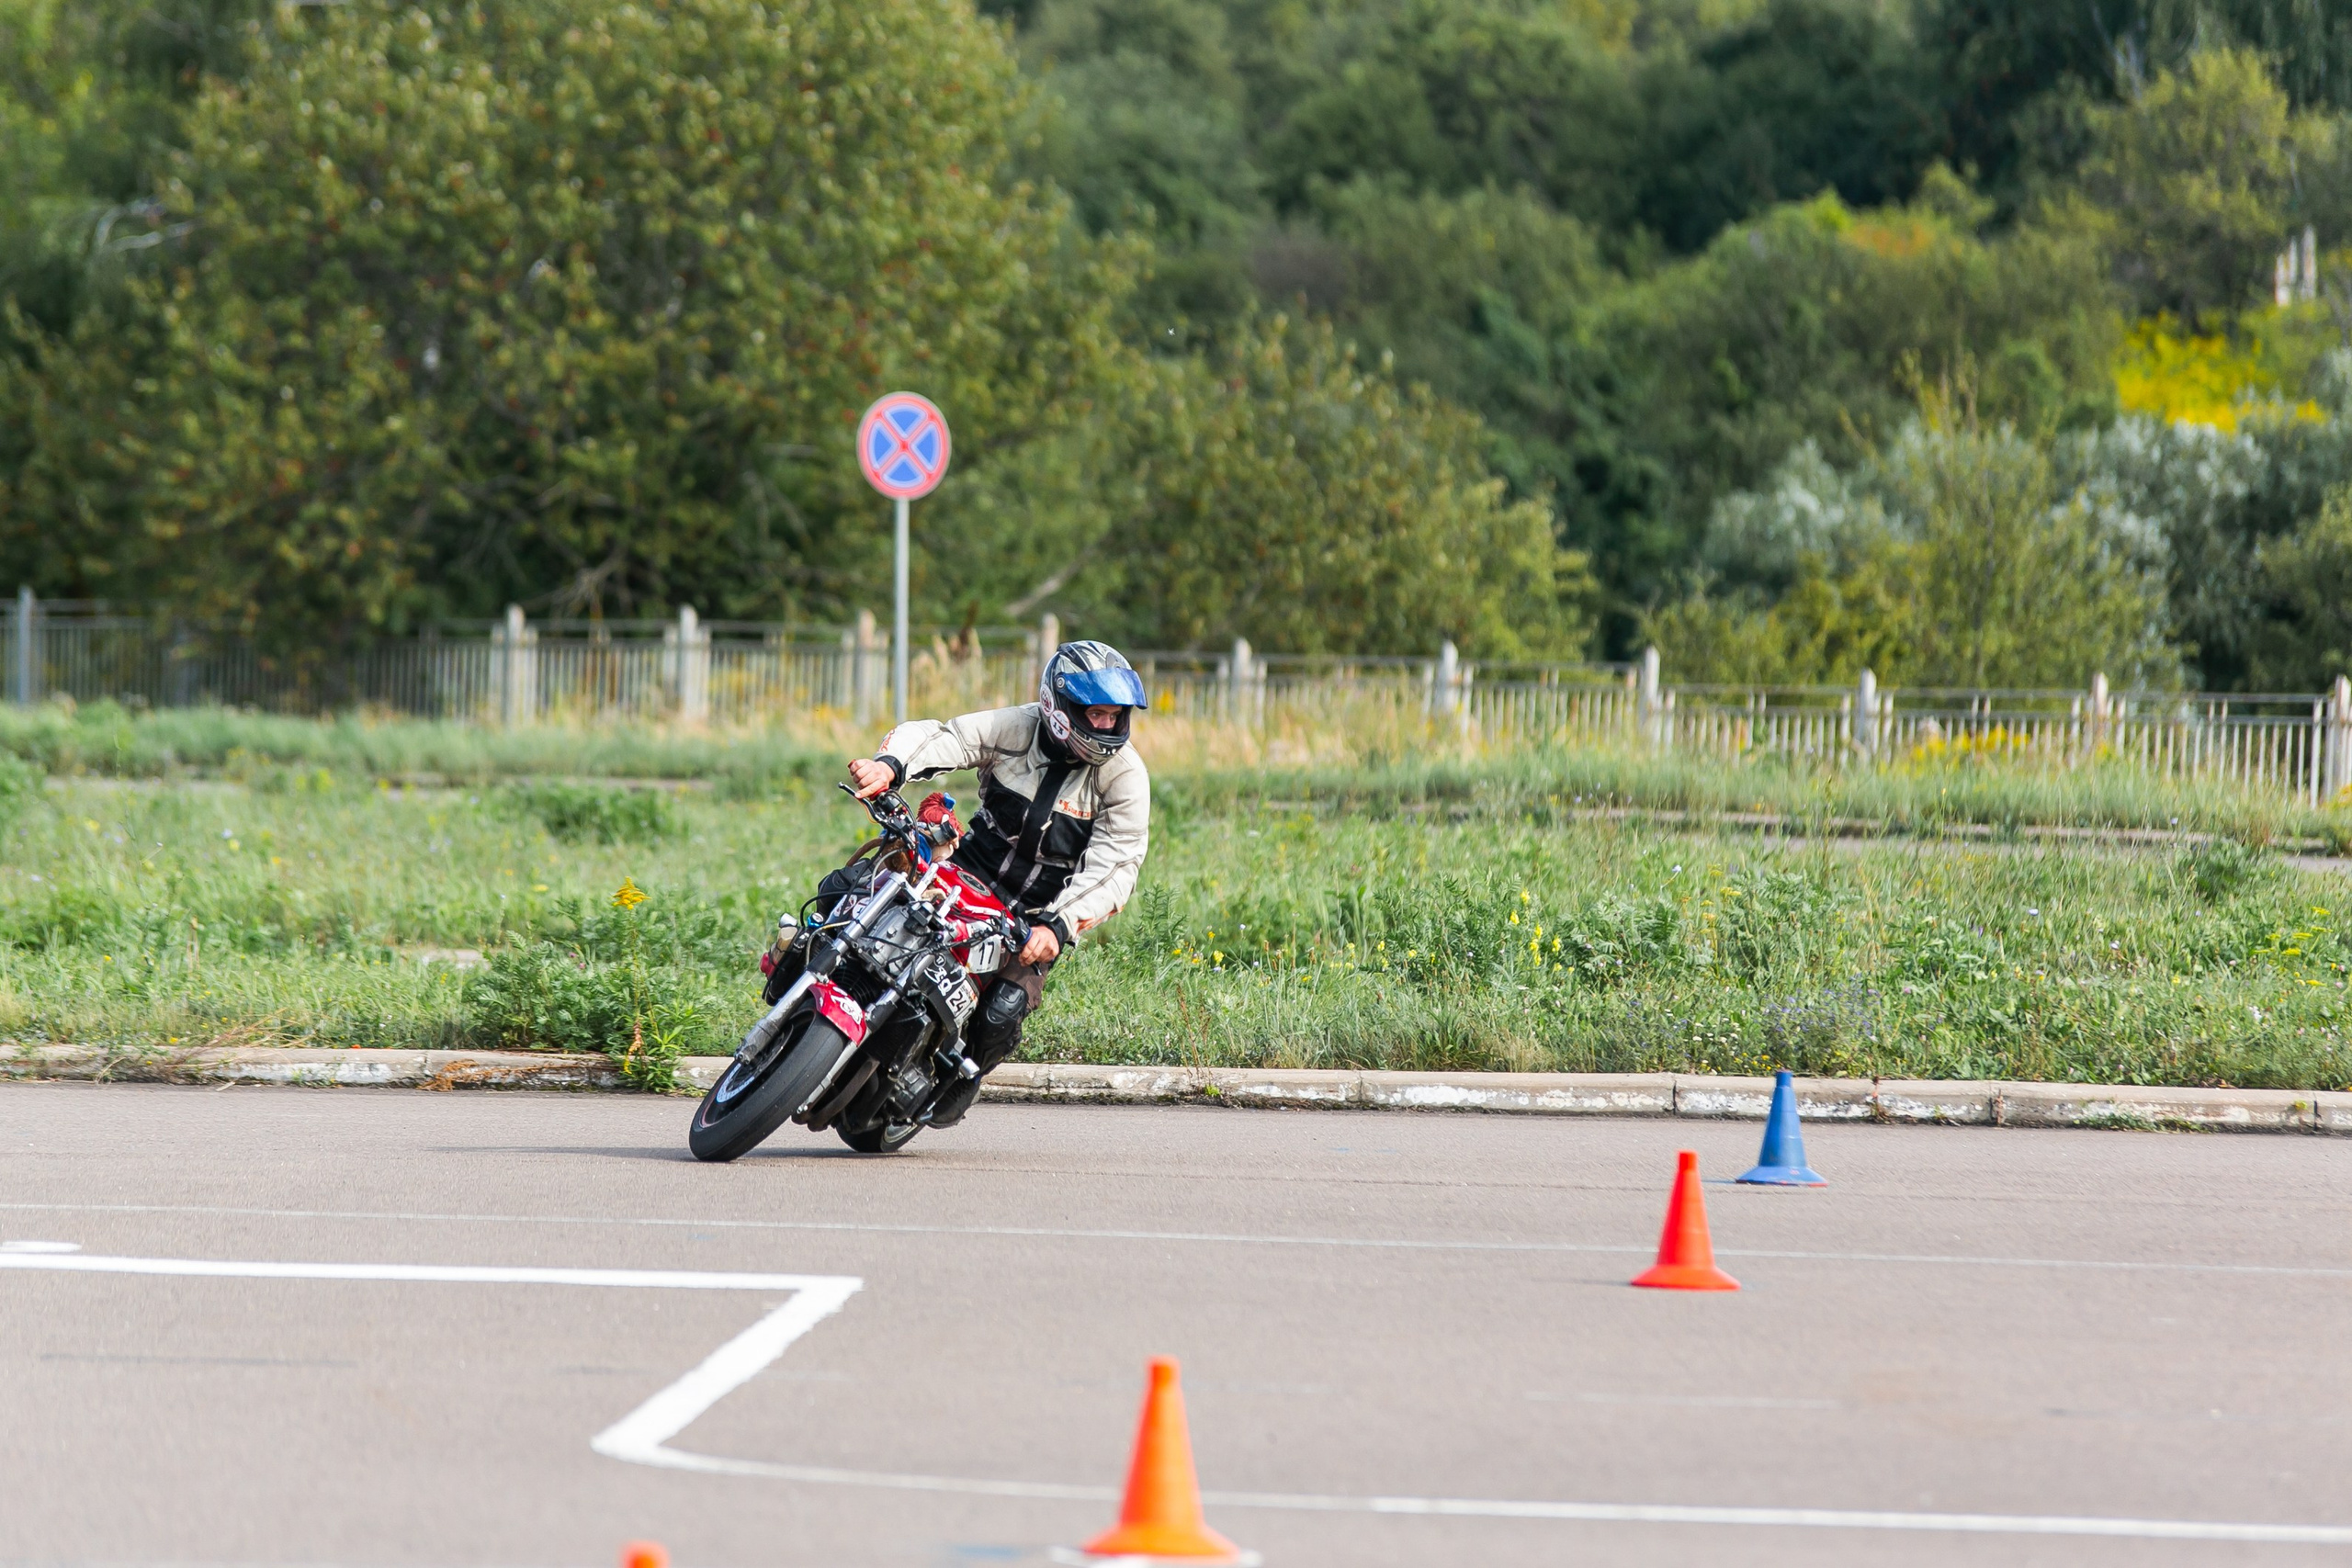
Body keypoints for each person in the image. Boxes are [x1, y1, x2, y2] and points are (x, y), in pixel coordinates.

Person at [845, 640, 1150, 1126]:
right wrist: (891, 765)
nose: (1107, 726)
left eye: (1115, 716)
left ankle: (960, 1075)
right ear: (1060, 706)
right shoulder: (1018, 726)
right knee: (867, 890)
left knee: (1000, 1014)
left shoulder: (1125, 775)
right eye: (1095, 714)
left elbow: (1119, 861)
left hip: (1032, 918)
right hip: (968, 870)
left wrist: (1059, 925)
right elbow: (950, 737)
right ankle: (806, 955)